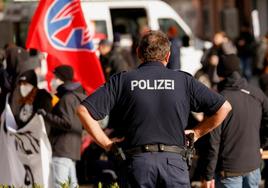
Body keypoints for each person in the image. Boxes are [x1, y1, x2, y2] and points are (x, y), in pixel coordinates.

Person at [77, 30, 231, 188]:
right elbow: (224, 107)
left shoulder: (123, 80)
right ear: (168, 56)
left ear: (138, 52)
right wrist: (197, 132)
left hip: (137, 164)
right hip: (174, 164)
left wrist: (108, 145)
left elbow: (83, 111)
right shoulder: (183, 81)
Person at [203, 54, 268, 188]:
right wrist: (261, 145)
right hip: (253, 166)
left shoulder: (218, 99)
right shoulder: (257, 94)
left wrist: (208, 174)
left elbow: (213, 142)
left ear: (220, 74)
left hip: (228, 171)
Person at [38, 65, 87, 188]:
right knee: (72, 184)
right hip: (73, 149)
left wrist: (46, 115)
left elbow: (67, 123)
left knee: (59, 184)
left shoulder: (67, 98)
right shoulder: (79, 97)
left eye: (55, 77)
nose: (53, 80)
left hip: (61, 148)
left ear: (61, 78)